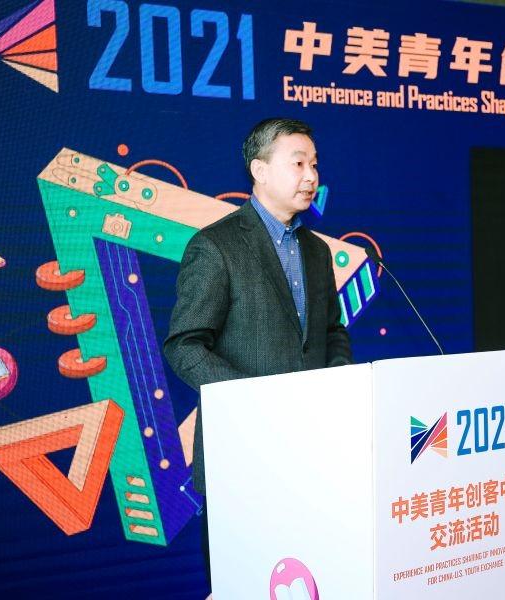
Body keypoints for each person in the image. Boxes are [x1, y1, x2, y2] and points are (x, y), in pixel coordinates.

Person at [163, 118, 352, 585]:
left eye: (314, 165)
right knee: (245, 583)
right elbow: (184, 346)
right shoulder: (216, 246)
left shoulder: (317, 251)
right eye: (298, 164)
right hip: (243, 453)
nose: (311, 176)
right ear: (260, 171)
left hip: (313, 451)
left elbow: (332, 332)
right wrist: (253, 401)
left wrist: (339, 383)